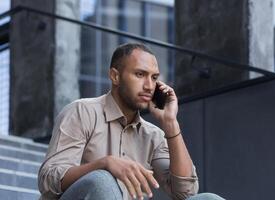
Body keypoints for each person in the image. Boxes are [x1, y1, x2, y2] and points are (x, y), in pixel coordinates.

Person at [38, 43, 224, 200]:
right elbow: (49, 179)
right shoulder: (81, 111)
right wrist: (105, 163)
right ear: (115, 76)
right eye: (140, 74)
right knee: (102, 181)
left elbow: (186, 193)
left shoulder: (153, 135)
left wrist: (170, 123)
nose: (149, 86)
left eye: (154, 77)